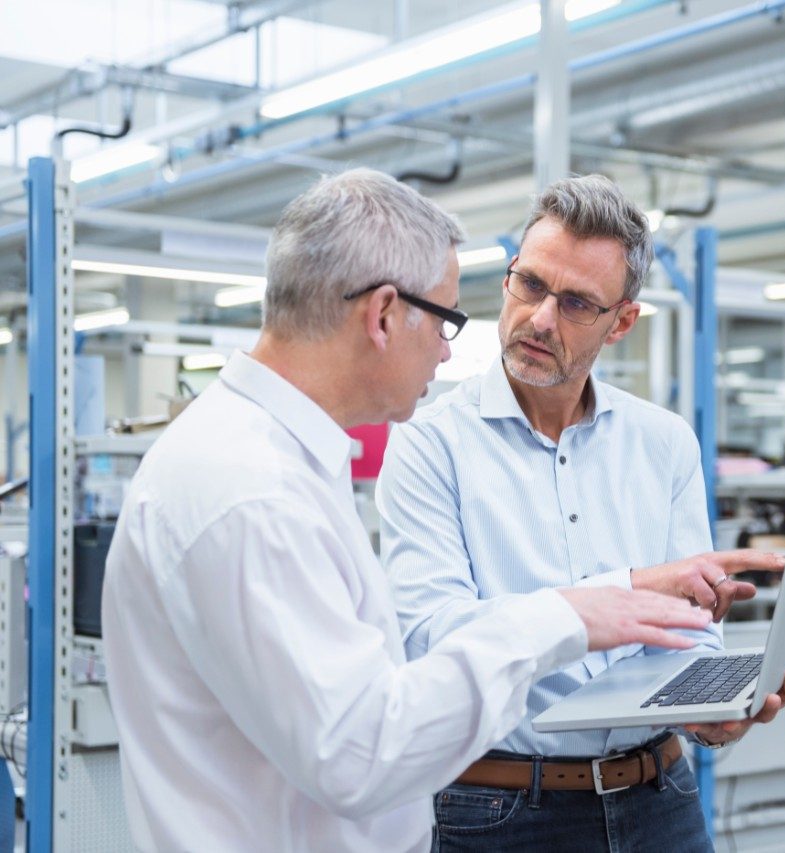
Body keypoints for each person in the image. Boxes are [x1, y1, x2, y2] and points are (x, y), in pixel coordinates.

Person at [100, 168, 713, 853]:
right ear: (384, 314)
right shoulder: (251, 494)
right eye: (447, 319)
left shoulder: (276, 464)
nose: (451, 347)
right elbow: (362, 750)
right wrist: (567, 615)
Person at [377, 174, 785, 851]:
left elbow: (690, 621)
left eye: (577, 302)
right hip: (500, 809)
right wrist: (623, 591)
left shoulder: (662, 442)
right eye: (531, 284)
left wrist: (709, 707)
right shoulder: (431, 445)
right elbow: (431, 637)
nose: (542, 317)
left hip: (661, 796)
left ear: (622, 321)